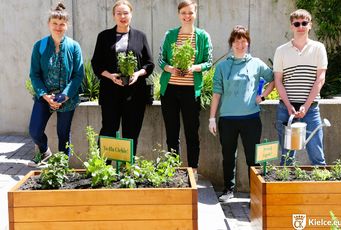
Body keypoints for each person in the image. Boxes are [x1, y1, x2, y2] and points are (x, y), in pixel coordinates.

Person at [209, 25, 275, 202]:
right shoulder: (222, 67)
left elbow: (274, 80)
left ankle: (255, 194)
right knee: (228, 156)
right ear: (231, 43)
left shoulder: (256, 64)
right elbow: (216, 93)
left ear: (248, 43)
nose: (240, 44)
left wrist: (263, 96)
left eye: (243, 41)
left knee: (253, 158)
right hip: (227, 120)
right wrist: (211, 118)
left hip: (251, 119)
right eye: (236, 41)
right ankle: (228, 190)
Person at [91, 0, 154, 157]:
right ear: (113, 16)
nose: (122, 16)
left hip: (135, 94)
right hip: (110, 92)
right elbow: (96, 64)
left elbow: (149, 63)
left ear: (131, 15)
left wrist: (137, 74)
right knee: (108, 130)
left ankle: (128, 169)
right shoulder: (104, 36)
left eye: (126, 13)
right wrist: (110, 76)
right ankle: (104, 168)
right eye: (118, 13)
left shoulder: (140, 36)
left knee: (131, 131)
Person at [158, 0, 213, 174]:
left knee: (191, 133)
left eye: (190, 13)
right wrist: (171, 69)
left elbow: (208, 62)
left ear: (195, 13)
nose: (187, 16)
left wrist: (193, 68)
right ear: (178, 14)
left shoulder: (203, 36)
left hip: (191, 91)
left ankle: (193, 170)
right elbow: (161, 60)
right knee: (172, 133)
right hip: (170, 91)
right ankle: (173, 169)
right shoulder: (170, 35)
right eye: (183, 13)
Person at [28, 2, 84, 166]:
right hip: (45, 97)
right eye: (55, 23)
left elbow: (78, 74)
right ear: (49, 24)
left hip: (67, 98)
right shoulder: (40, 46)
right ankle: (45, 152)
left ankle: (62, 166)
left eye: (62, 24)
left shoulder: (74, 47)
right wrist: (45, 95)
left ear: (67, 26)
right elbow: (35, 74)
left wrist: (65, 95)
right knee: (34, 131)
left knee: (63, 134)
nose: (58, 27)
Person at [273, 9, 328, 166]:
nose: (301, 26)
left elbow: (320, 78)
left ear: (310, 25)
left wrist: (306, 105)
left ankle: (321, 190)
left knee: (317, 154)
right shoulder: (281, 51)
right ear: (291, 26)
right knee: (287, 157)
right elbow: (278, 81)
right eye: (297, 23)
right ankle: (286, 189)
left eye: (304, 23)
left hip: (311, 110)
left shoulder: (319, 48)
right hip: (286, 109)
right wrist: (289, 105)